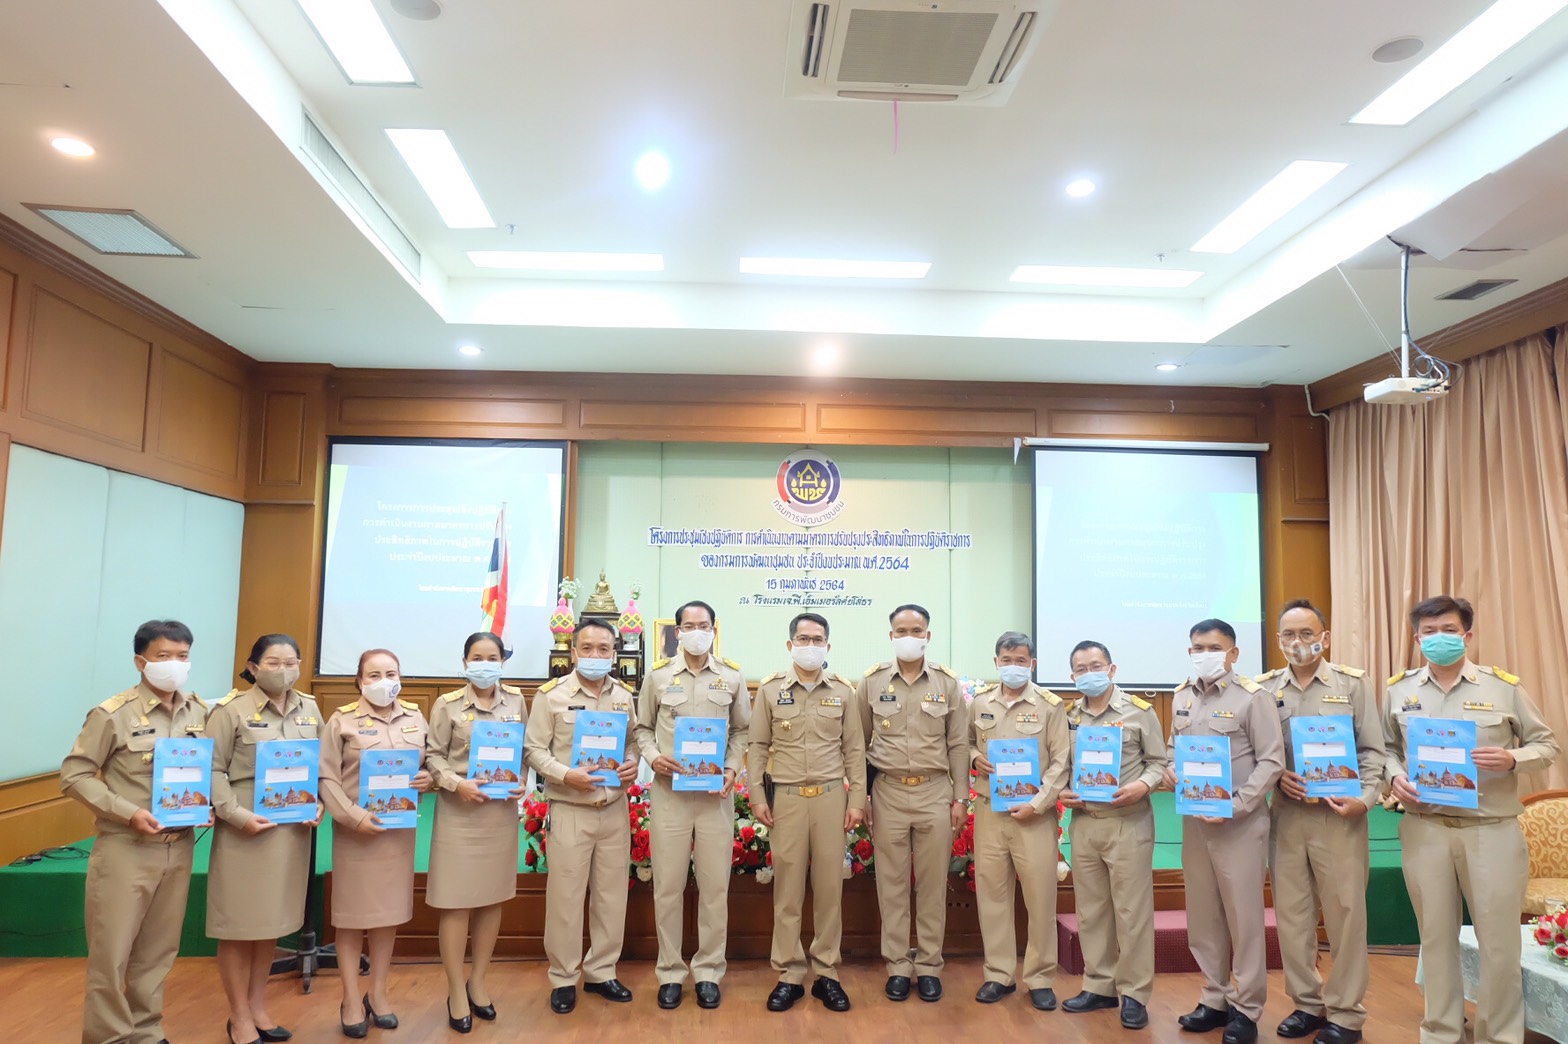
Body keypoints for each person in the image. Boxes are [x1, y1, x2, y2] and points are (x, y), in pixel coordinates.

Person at [1384, 596, 1560, 1044]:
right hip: (1425, 831)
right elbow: (1383, 750)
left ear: (1467, 634)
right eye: (1428, 632)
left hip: (1491, 831)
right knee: (1436, 940)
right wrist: (1395, 776)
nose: (1437, 638)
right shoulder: (1398, 691)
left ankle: (1498, 1036)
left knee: (1499, 946)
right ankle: (1441, 1032)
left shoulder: (1503, 688)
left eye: (1447, 629)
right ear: (1416, 638)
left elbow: (1547, 745)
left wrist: (1511, 758)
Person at [61, 620, 210, 1044]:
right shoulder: (113, 713)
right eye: (164, 657)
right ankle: (109, 1036)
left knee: (158, 952)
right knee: (112, 955)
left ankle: (146, 1031)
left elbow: (206, 771)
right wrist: (127, 812)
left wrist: (209, 805)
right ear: (140, 661)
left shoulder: (199, 710)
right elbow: (75, 775)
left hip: (179, 846)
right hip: (126, 846)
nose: (175, 665)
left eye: (182, 656)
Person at [1254, 601, 1385, 1044]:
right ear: (1277, 642)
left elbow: (1374, 752)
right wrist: (1274, 777)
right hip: (1287, 816)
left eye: (1307, 633)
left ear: (1324, 637)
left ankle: (1347, 1014)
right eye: (1288, 635)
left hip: (1339, 818)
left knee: (1347, 916)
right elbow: (1257, 755)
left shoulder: (1352, 684)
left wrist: (1365, 800)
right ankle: (1307, 1004)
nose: (1298, 642)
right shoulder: (1264, 689)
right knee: (1292, 916)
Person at [1164, 618, 1284, 1044]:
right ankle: (1214, 997)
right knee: (1203, 914)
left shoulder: (1254, 699)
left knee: (1244, 918)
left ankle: (1247, 1008)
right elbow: (1172, 752)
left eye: (1213, 647)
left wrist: (1236, 805)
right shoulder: (1181, 697)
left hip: (1240, 824)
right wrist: (1172, 772)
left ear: (1233, 653)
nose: (1203, 654)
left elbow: (1272, 761)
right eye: (1196, 647)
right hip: (1195, 824)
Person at [747, 612, 867, 1014]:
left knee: (831, 888)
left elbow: (854, 750)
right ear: (790, 645)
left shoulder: (844, 692)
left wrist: (857, 801)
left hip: (832, 797)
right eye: (803, 638)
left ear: (828, 647)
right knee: (788, 890)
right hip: (787, 798)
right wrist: (757, 796)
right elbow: (758, 747)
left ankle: (827, 973)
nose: (810, 645)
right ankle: (790, 973)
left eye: (817, 639)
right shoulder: (769, 691)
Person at [205, 634, 322, 1044]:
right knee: (240, 925)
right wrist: (235, 816)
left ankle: (257, 1006)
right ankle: (238, 1015)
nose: (284, 669)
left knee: (269, 922)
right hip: (245, 831)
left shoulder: (309, 707)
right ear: (253, 667)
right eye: (273, 662)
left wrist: (319, 802)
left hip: (290, 832)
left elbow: (318, 763)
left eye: (291, 661)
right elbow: (212, 770)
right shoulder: (230, 710)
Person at [634, 599, 751, 1011]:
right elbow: (643, 728)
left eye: (703, 624)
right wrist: (652, 758)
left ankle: (708, 971)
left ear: (713, 629)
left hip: (716, 798)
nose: (696, 631)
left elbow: (742, 733)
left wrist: (734, 769)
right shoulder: (658, 676)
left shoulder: (732, 678)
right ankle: (669, 971)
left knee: (715, 887)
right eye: (688, 625)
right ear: (677, 632)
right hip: (670, 796)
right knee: (667, 886)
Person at [523, 619, 640, 1015]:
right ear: (573, 653)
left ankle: (601, 971)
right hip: (570, 808)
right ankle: (563, 977)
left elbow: (633, 743)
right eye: (587, 648)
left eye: (603, 649)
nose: (595, 656)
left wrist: (631, 764)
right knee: (565, 899)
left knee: (611, 897)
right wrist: (563, 774)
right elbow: (534, 750)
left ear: (614, 653)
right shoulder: (551, 696)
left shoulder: (624, 696)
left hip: (613, 809)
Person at [854, 603, 967, 1003]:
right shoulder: (870, 682)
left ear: (928, 636)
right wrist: (861, 795)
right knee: (893, 883)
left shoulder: (947, 684)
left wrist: (960, 798)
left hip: (935, 790)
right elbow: (858, 746)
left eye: (916, 630)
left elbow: (958, 744)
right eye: (901, 630)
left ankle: (930, 964)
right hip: (887, 791)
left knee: (934, 883)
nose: (908, 636)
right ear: (891, 636)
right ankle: (899, 965)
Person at [318, 649, 432, 1038]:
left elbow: (430, 762)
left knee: (388, 915)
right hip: (355, 832)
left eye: (391, 673)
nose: (384, 680)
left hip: (397, 831)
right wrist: (353, 816)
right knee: (351, 919)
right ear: (360, 681)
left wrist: (428, 778)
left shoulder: (416, 717)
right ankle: (351, 998)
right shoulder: (341, 720)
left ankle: (378, 994)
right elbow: (326, 777)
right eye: (374, 674)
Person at [1058, 639, 1168, 1031]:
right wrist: (1061, 792)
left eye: (1096, 665)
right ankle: (1098, 984)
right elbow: (1061, 766)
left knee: (1131, 913)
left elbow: (1159, 763)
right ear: (1072, 676)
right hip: (1084, 822)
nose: (1090, 673)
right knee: (1091, 911)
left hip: (1128, 821)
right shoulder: (1069, 716)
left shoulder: (1139, 713)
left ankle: (1135, 994)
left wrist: (1143, 785)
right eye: (1082, 668)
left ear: (1112, 669)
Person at [424, 632, 527, 1033]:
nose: (485, 663)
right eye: (477, 657)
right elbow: (432, 755)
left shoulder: (517, 701)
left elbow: (523, 751)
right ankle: (454, 989)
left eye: (493, 656)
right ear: (465, 662)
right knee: (455, 902)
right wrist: (455, 784)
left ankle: (478, 981)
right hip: (460, 811)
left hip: (500, 813)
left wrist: (521, 778)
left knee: (491, 898)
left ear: (502, 661)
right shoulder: (446, 704)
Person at [967, 632, 1070, 1011]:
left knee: (1040, 897)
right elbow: (964, 743)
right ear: (996, 662)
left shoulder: (1050, 705)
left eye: (1021, 659)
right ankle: (998, 974)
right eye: (1007, 659)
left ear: (1033, 664)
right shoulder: (979, 703)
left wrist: (1040, 803)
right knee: (992, 894)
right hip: (990, 811)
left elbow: (1062, 761)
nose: (1013, 665)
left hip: (1034, 815)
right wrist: (976, 757)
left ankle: (1040, 977)